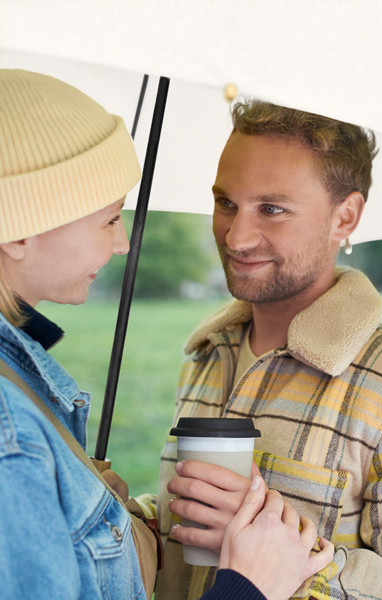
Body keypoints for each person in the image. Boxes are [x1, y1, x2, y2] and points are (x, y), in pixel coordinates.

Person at [0, 70, 333, 600]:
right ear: (19, 230)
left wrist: (93, 514)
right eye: (109, 219)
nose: (123, 243)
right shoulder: (10, 436)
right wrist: (248, 587)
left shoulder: (17, 383)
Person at [155, 100, 382, 599]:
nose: (236, 235)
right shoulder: (209, 353)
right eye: (226, 202)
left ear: (346, 217)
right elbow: (178, 544)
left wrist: (298, 561)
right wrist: (127, 518)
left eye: (272, 209)